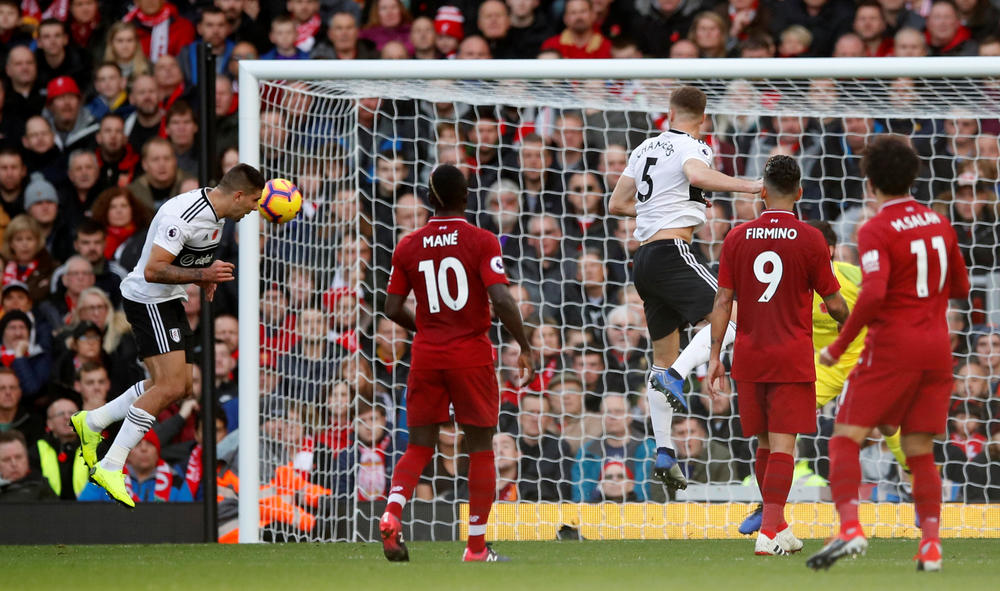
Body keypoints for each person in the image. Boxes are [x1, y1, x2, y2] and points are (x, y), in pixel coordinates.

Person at [806, 135, 970, 572]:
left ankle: (850, 528)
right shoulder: (939, 223)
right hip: (937, 349)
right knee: (918, 450)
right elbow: (961, 288)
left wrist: (839, 347)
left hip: (892, 347)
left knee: (844, 438)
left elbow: (874, 293)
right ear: (914, 177)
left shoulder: (874, 228)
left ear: (870, 182)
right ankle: (931, 546)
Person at [70, 163, 264, 508]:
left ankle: (94, 420)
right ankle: (111, 464)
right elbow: (153, 269)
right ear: (237, 195)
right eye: (252, 201)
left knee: (181, 386)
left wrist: (202, 279)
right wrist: (203, 272)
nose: (253, 209)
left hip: (169, 300)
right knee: (171, 387)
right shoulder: (185, 216)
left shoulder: (217, 212)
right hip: (148, 300)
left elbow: (184, 261)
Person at [608, 85, 762, 492]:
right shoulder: (696, 145)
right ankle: (677, 377)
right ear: (703, 119)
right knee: (737, 315)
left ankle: (664, 451)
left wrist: (683, 202)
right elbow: (695, 173)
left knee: (661, 356)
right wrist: (750, 187)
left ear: (669, 113)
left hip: (643, 259)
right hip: (674, 251)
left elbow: (617, 204)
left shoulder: (643, 149)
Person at [379, 164, 535, 563]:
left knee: (418, 445)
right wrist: (524, 344)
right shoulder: (482, 240)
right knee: (481, 447)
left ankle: (392, 512)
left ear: (430, 200)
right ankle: (476, 548)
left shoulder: (408, 244)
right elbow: (500, 299)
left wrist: (426, 329)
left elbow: (391, 307)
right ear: (467, 198)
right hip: (471, 355)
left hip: (428, 356)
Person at [705, 155, 848, 555]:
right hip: (790, 357)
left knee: (765, 444)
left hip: (749, 356)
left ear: (762, 191)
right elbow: (834, 303)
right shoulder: (810, 239)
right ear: (799, 193)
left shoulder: (735, 237)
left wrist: (715, 354)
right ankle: (768, 535)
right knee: (784, 446)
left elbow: (722, 300)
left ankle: (779, 525)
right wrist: (848, 327)